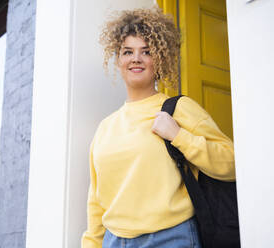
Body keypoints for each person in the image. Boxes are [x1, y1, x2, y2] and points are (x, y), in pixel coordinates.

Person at [81, 7, 236, 248]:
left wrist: (179, 136)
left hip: (171, 239)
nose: (136, 58)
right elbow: (96, 201)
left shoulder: (178, 109)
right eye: (127, 51)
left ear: (159, 59)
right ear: (118, 59)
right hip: (113, 241)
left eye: (146, 51)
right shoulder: (105, 128)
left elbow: (232, 163)